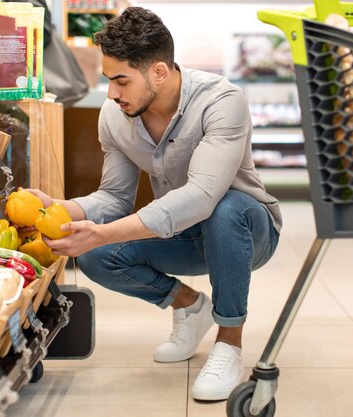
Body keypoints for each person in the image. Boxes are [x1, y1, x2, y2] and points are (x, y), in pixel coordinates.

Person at [27, 6, 282, 401]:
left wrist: (103, 232)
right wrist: (57, 208)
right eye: (108, 80)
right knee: (97, 256)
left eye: (121, 81)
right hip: (182, 236)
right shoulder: (114, 116)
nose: (112, 93)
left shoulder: (221, 101)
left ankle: (229, 342)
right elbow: (113, 198)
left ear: (159, 72)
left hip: (247, 230)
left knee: (226, 208)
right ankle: (190, 306)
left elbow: (201, 196)